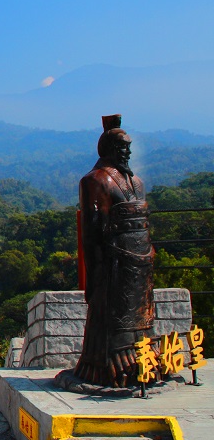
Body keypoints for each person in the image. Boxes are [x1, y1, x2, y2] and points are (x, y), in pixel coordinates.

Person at [74, 115, 156, 388]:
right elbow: (91, 233)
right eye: (122, 148)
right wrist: (95, 276)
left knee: (140, 315)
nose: (127, 153)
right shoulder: (95, 181)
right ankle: (105, 366)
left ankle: (144, 361)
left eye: (129, 147)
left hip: (139, 264)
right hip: (115, 264)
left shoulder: (137, 183)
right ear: (108, 149)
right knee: (112, 317)